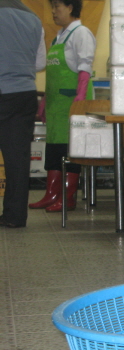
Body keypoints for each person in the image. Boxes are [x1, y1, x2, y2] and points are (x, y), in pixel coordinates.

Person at [29, 0, 95, 212]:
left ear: (70, 7)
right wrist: (44, 103)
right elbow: (52, 76)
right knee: (55, 147)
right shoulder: (58, 37)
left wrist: (81, 96)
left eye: (57, 7)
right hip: (56, 104)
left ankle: (68, 197)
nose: (54, 12)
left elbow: (85, 66)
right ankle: (51, 193)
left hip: (72, 100)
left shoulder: (81, 33)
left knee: (72, 148)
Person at [0, 0, 46, 228]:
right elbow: (39, 63)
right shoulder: (34, 18)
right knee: (17, 160)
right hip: (24, 94)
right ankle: (14, 217)